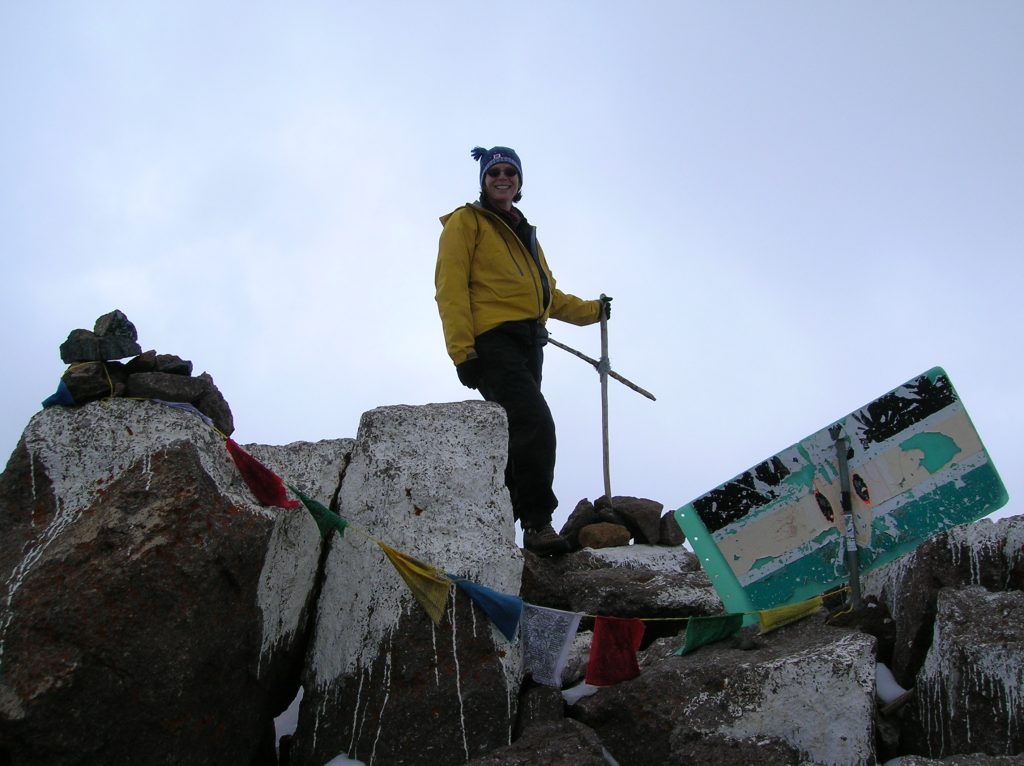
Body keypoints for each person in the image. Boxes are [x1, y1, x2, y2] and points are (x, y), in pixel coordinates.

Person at [434, 145, 612, 556]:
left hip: (531, 343)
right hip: (493, 342)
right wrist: (463, 352)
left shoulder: (525, 233)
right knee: (534, 423)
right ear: (483, 180)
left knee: (517, 435)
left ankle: (496, 528)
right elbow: (450, 288)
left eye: (509, 172)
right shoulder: (466, 222)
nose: (502, 177)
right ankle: (536, 524)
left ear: (519, 182)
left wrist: (594, 312)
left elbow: (548, 296)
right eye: (493, 171)